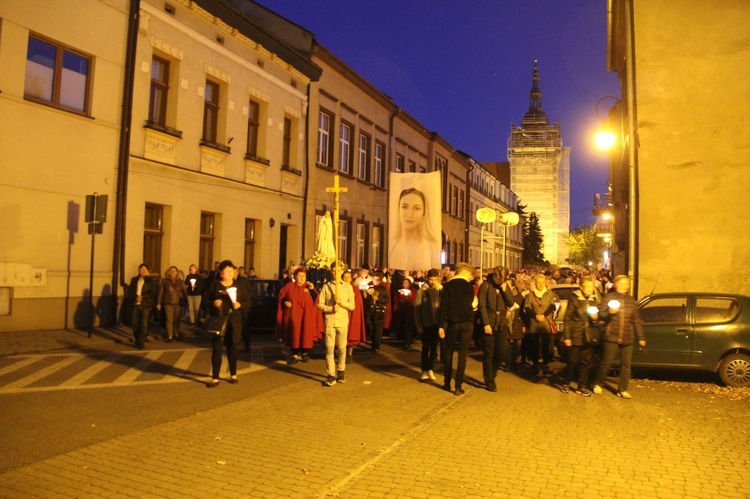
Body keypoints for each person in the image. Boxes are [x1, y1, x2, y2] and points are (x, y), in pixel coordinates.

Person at [593, 275, 646, 399]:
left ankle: (622, 389)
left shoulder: (631, 300)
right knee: (606, 362)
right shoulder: (609, 297)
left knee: (626, 365)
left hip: (627, 337)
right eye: (621, 284)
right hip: (612, 335)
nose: (624, 286)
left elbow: (636, 320)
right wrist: (608, 313)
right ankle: (598, 383)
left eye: (626, 284)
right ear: (616, 285)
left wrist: (641, 337)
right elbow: (601, 315)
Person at [206, 260, 251, 387]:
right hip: (219, 320)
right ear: (221, 273)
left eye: (231, 270)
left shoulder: (239, 286)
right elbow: (205, 301)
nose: (230, 273)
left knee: (232, 348)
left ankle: (233, 374)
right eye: (227, 270)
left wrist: (240, 305)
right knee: (217, 349)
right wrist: (213, 303)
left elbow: (248, 301)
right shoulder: (215, 285)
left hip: (234, 320)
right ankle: (215, 377)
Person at [437, 263, 477, 395]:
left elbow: (443, 307)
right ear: (464, 273)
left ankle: (447, 382)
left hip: (452, 323)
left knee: (448, 352)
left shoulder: (447, 286)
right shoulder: (469, 287)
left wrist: (440, 325)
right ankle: (458, 386)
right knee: (462, 355)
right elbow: (472, 304)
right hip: (467, 322)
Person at [561, 277, 601, 396]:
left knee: (586, 362)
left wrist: (596, 318)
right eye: (587, 286)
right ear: (581, 287)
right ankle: (566, 383)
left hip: (589, 336)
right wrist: (567, 337)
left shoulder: (594, 301)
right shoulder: (574, 299)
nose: (589, 289)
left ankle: (581, 386)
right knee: (573, 361)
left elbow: (596, 319)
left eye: (591, 286)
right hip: (576, 334)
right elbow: (567, 319)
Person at [318, 263, 355, 386]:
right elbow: (319, 304)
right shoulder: (326, 286)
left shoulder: (348, 287)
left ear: (342, 272)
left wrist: (341, 302)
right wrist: (330, 308)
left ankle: (341, 370)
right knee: (329, 348)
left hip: (342, 321)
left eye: (338, 270)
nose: (336, 273)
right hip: (329, 321)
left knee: (342, 348)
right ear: (331, 272)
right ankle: (330, 374)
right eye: (333, 270)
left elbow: (352, 306)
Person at [388, 188, 441, 271]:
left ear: (424, 212)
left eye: (417, 208)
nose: (410, 214)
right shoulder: (392, 246)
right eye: (404, 207)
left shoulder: (431, 246)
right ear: (398, 209)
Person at [276, 267, 320, 364]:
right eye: (299, 276)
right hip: (294, 316)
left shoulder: (308, 287)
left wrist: (312, 290)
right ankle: (294, 354)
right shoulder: (289, 286)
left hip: (306, 316)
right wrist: (285, 302)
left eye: (304, 276)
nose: (302, 278)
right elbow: (281, 295)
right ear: (295, 276)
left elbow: (316, 298)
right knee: (294, 334)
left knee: (305, 333)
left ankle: (304, 352)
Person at [477, 267, 509, 392]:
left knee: (500, 353)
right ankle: (489, 380)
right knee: (488, 354)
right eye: (498, 279)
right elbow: (482, 306)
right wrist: (486, 323)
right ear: (494, 276)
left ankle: (493, 373)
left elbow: (511, 303)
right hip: (489, 322)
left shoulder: (504, 286)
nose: (500, 281)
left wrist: (506, 291)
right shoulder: (486, 286)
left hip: (501, 323)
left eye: (502, 279)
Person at [523, 274, 557, 375]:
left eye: (542, 283)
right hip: (534, 323)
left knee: (546, 345)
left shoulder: (550, 294)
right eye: (539, 283)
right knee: (534, 345)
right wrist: (536, 316)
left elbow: (552, 307)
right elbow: (527, 308)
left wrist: (543, 315)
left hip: (545, 323)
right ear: (535, 283)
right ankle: (535, 363)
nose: (541, 285)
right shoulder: (530, 295)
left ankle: (546, 364)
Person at [415, 268, 442, 381]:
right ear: (427, 279)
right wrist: (419, 324)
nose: (432, 282)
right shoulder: (421, 291)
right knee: (425, 347)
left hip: (436, 323)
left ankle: (430, 369)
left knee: (434, 347)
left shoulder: (441, 290)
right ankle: (424, 370)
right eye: (431, 279)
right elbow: (417, 309)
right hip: (426, 323)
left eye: (435, 279)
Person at [126, 263, 155, 349]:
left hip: (145, 304)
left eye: (145, 269)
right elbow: (130, 291)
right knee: (135, 324)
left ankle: (141, 342)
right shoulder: (134, 280)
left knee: (144, 324)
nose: (143, 271)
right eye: (141, 269)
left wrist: (143, 298)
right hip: (135, 304)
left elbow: (152, 292)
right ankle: (137, 339)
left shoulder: (150, 281)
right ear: (138, 270)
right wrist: (136, 297)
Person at [157, 266, 187, 342]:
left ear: (177, 272)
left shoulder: (181, 282)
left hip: (178, 303)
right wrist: (159, 303)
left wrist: (186, 302)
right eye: (171, 271)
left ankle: (176, 333)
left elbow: (184, 292)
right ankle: (170, 335)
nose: (172, 272)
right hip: (168, 303)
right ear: (168, 272)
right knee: (169, 319)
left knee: (176, 319)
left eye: (174, 271)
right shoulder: (165, 281)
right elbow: (161, 292)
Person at [343, 270, 367, 362]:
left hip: (351, 314)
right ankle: (342, 353)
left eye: (348, 277)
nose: (346, 279)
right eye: (344, 277)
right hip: (342, 313)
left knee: (350, 334)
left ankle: (349, 353)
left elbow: (357, 304)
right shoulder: (339, 288)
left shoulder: (355, 289)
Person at [365, 271, 390, 354]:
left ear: (380, 281)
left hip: (379, 311)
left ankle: (376, 347)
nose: (375, 281)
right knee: (371, 329)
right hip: (370, 311)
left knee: (378, 331)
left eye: (377, 280)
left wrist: (378, 299)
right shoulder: (370, 287)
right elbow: (367, 300)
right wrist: (365, 295)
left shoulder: (383, 289)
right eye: (374, 279)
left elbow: (387, 300)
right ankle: (373, 344)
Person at [393, 277, 417, 349]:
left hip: (410, 311)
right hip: (401, 311)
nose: (405, 284)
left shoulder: (414, 291)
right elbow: (396, 299)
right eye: (404, 283)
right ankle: (404, 339)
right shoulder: (400, 291)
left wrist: (408, 299)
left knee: (408, 326)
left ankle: (408, 342)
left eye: (407, 283)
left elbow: (415, 300)